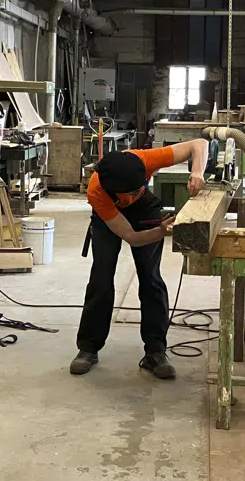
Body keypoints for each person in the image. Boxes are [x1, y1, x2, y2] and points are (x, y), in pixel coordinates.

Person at [71, 140, 209, 379]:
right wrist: (161, 231)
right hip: (109, 217)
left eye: (140, 188)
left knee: (151, 277)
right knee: (101, 278)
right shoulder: (97, 191)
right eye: (132, 193)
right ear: (115, 191)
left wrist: (197, 172)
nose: (137, 193)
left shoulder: (144, 160)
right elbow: (132, 237)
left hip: (145, 210)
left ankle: (155, 352)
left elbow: (199, 144)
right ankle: (88, 347)